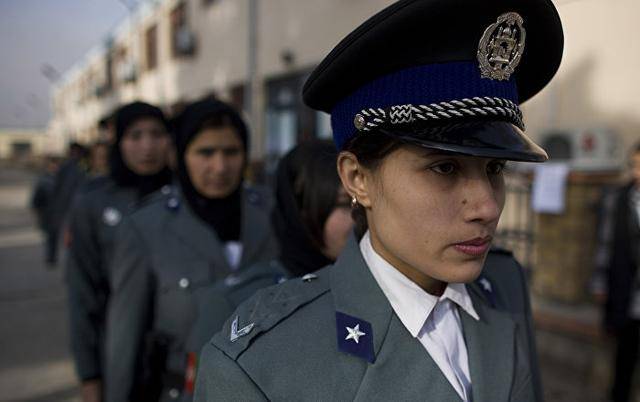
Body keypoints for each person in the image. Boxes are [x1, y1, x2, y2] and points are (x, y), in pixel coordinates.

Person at [194, 0, 563, 400]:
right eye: (445, 169)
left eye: (495, 169)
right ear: (357, 178)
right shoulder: (260, 365)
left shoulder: (503, 285)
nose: (488, 208)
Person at [105, 98, 278, 402]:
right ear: (181, 155)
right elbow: (125, 339)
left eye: (231, 152)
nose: (220, 166)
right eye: (205, 152)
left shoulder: (273, 212)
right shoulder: (145, 227)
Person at [183, 140, 353, 396]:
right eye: (342, 204)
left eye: (362, 200)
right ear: (299, 210)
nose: (359, 217)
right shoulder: (236, 303)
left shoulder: (379, 291)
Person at [65, 101, 173, 402]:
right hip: (116, 347)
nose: (147, 146)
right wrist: (89, 376)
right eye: (135, 136)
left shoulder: (184, 197)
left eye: (156, 134)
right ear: (119, 142)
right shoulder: (93, 202)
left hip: (177, 351)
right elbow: (81, 292)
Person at [603, 142, 640, 402]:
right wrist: (599, 285)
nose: (637, 172)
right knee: (623, 363)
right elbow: (605, 244)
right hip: (628, 295)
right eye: (635, 166)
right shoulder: (620, 199)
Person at [46, 142, 88, 266]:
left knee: (74, 233)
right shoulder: (66, 166)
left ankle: (73, 259)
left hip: (75, 205)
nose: (74, 154)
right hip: (62, 204)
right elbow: (57, 185)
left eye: (76, 151)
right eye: (73, 151)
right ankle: (51, 257)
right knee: (54, 231)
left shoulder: (83, 166)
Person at [30, 155, 60, 266]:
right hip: (46, 213)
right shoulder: (43, 180)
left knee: (55, 236)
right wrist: (37, 213)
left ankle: (52, 256)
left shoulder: (61, 179)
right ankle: (50, 257)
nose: (55, 167)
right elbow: (36, 199)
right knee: (50, 236)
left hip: (58, 213)